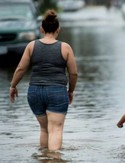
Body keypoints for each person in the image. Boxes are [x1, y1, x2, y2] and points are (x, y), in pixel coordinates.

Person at [9, 9, 78, 152]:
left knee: (44, 129)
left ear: (41, 29)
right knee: (56, 129)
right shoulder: (65, 47)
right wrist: (70, 91)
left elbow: (21, 69)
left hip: (34, 92)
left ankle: (44, 159)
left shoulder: (31, 46)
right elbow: (73, 73)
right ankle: (53, 160)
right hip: (57, 92)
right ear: (58, 29)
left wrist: (13, 86)